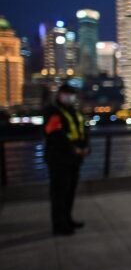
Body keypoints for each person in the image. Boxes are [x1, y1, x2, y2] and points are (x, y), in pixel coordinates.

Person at [44, 83, 89, 236]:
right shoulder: (53, 112)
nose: (69, 97)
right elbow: (55, 135)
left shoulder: (74, 112)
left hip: (74, 159)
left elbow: (82, 131)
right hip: (59, 159)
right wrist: (73, 149)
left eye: (71, 94)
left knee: (69, 191)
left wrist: (86, 147)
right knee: (59, 193)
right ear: (59, 95)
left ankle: (68, 219)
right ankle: (59, 225)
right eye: (66, 94)